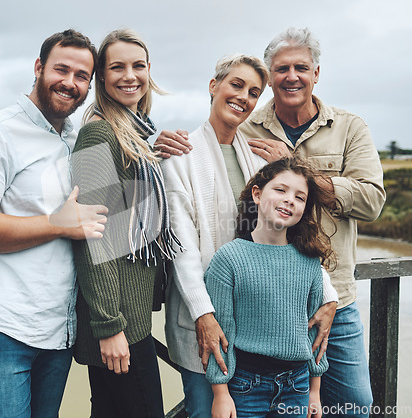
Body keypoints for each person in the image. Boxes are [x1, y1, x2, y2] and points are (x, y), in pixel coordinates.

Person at [159, 27, 386, 417]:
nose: (244, 98)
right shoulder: (224, 142)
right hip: (234, 312)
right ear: (213, 85)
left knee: (354, 407)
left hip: (315, 301)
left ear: (317, 73)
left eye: (252, 91)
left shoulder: (343, 128)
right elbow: (184, 243)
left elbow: (308, 226)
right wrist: (152, 145)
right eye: (281, 69)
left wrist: (299, 171)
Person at [0, 29, 108, 418]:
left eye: (82, 75)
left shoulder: (77, 140)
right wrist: (56, 224)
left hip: (59, 330)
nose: (70, 82)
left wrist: (162, 147)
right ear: (39, 68)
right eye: (61, 69)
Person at [70, 28, 182, 418]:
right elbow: (92, 236)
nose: (129, 75)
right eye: (117, 67)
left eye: (138, 66)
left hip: (130, 316)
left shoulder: (137, 132)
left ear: (150, 70)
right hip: (118, 323)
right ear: (101, 75)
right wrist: (108, 325)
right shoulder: (99, 132)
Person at [205, 156, 334, 418]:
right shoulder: (229, 257)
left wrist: (314, 391)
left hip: (297, 386)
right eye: (281, 190)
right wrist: (220, 393)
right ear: (257, 194)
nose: (290, 200)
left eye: (300, 197)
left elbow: (313, 332)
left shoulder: (309, 261)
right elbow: (222, 332)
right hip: (245, 386)